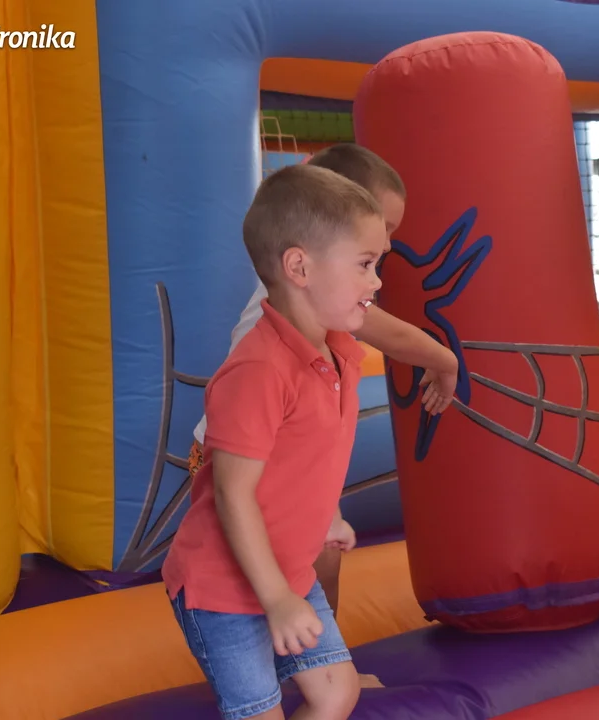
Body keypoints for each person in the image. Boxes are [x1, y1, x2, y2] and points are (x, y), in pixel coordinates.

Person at [186, 144, 457, 690]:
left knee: (321, 553)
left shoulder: (326, 297)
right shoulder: (301, 300)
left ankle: (313, 660)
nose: (381, 264)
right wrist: (443, 359)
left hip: (291, 452)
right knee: (301, 561)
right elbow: (387, 332)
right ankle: (297, 656)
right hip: (244, 455)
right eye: (371, 248)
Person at [163, 164, 391, 720]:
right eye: (365, 264)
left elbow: (308, 455)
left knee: (337, 693)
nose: (377, 282)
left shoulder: (339, 353)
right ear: (299, 267)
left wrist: (324, 518)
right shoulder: (260, 371)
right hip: (223, 589)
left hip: (288, 569)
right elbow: (233, 492)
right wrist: (277, 601)